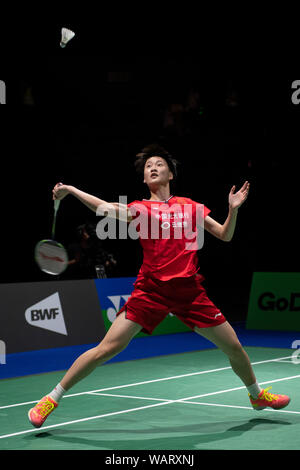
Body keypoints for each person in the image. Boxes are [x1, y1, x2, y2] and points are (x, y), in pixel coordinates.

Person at [28, 144, 290, 428]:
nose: (152, 168)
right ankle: (52, 398)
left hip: (189, 292)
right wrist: (72, 190)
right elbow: (104, 208)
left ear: (170, 174)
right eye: (147, 167)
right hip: (150, 291)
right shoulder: (140, 208)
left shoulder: (191, 206)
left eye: (158, 164)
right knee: (107, 348)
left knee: (235, 347)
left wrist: (233, 210)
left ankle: (256, 395)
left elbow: (225, 235)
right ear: (144, 179)